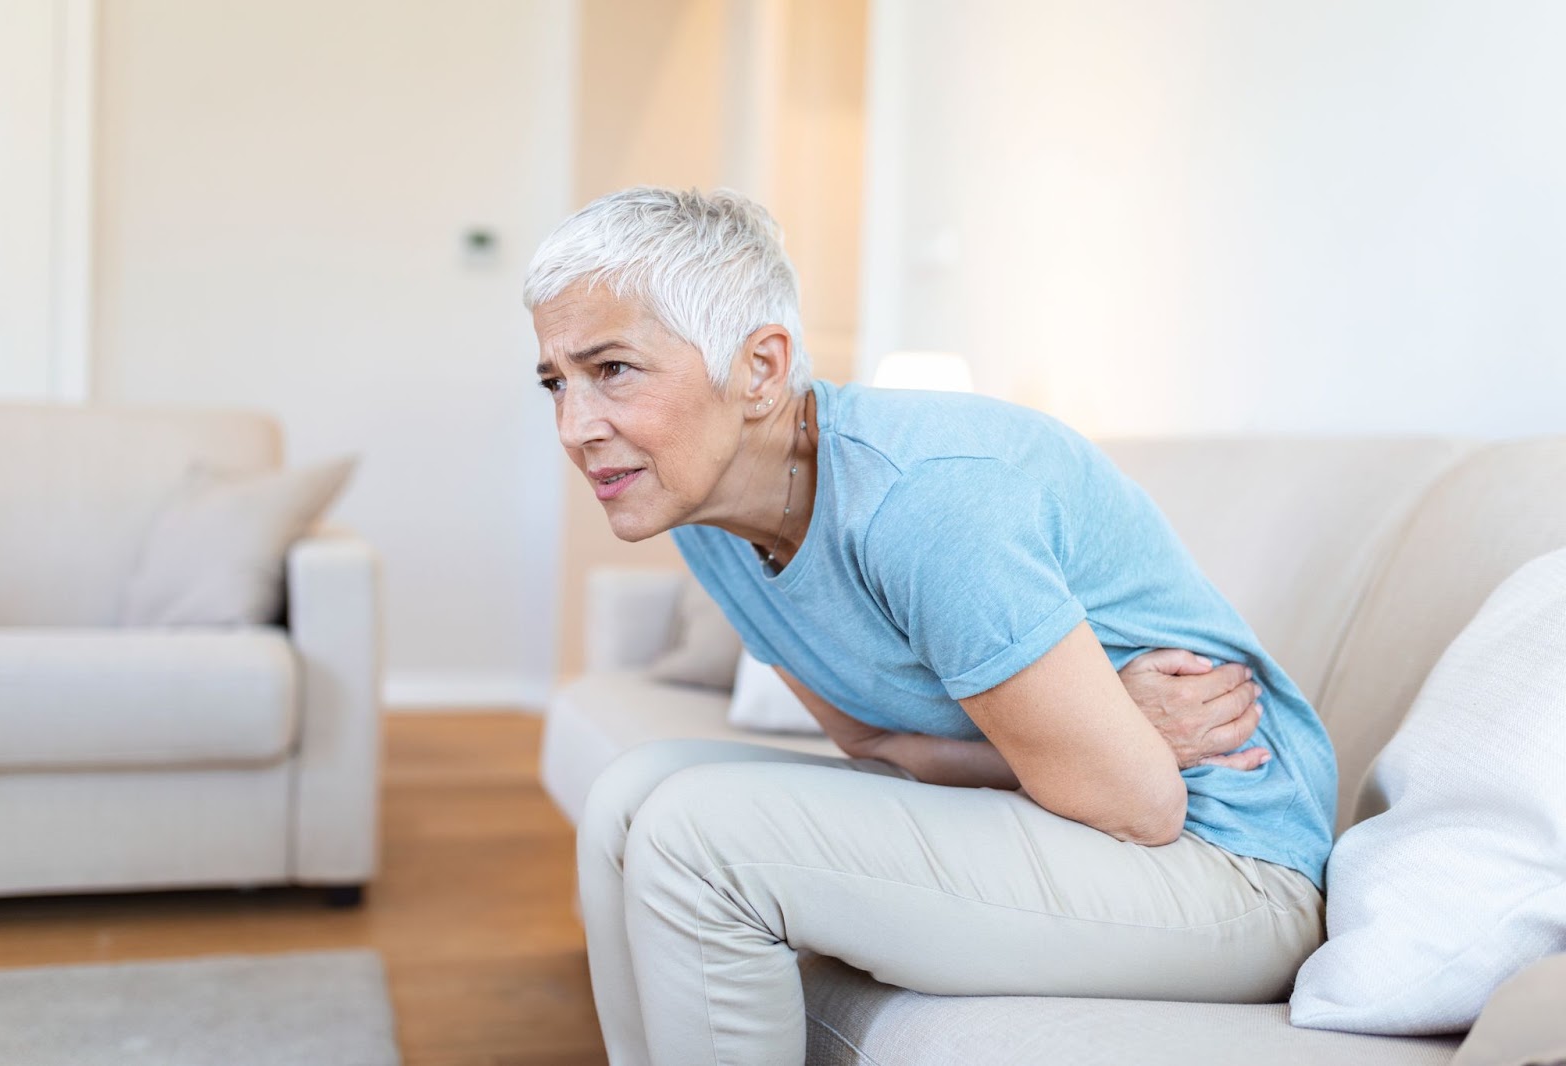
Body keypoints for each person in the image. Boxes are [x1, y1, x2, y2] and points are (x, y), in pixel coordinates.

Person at [525, 186, 1337, 1066]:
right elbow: (870, 738)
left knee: (698, 837)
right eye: (555, 383)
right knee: (629, 795)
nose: (575, 428)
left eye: (612, 371)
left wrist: (1101, 745)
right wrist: (1105, 725)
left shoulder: (927, 497)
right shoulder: (716, 524)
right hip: (1091, 815)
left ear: (760, 369)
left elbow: (1138, 802)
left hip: (1228, 870)